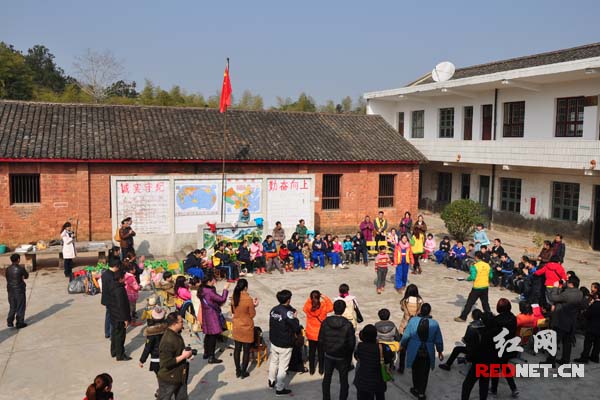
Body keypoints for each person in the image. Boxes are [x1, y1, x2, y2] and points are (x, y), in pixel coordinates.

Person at [400, 303, 443, 400]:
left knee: (415, 370)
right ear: (429, 312)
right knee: (424, 372)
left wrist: (402, 345)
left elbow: (406, 335)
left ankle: (415, 388)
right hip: (428, 351)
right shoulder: (434, 323)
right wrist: (440, 351)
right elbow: (438, 339)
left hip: (414, 350)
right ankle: (422, 393)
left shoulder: (413, 321)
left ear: (420, 311)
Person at [319, 299, 356, 400]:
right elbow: (351, 343)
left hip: (329, 355)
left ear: (333, 309)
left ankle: (326, 398)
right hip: (342, 357)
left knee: (327, 379)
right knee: (344, 381)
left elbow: (321, 340)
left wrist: (324, 351)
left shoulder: (326, 322)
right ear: (344, 310)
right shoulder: (348, 325)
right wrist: (348, 356)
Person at [268, 289, 302, 396]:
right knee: (283, 367)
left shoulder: (273, 310)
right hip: (285, 343)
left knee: (274, 362)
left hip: (274, 341)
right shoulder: (288, 313)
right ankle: (280, 388)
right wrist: (295, 318)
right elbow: (296, 327)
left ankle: (271, 380)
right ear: (288, 300)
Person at [547, 275, 583, 365]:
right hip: (571, 322)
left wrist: (555, 287)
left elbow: (553, 298)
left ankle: (551, 361)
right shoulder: (580, 293)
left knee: (554, 342)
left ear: (570, 284)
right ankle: (565, 360)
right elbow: (561, 298)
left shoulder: (567, 294)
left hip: (561, 322)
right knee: (567, 343)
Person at [157, 312, 193, 400]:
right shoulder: (167, 340)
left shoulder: (176, 334)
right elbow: (167, 363)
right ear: (174, 324)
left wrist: (186, 353)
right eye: (181, 321)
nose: (183, 323)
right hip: (169, 378)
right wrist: (184, 356)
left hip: (180, 376)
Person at [460, 312, 496, 400]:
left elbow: (474, 350)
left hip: (479, 363)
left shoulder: (479, 333)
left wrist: (467, 358)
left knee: (467, 384)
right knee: (484, 385)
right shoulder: (497, 332)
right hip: (490, 363)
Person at [489, 298, 519, 398]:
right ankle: (514, 388)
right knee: (505, 367)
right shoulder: (513, 317)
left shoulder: (497, 320)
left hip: (498, 347)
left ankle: (493, 389)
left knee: (495, 368)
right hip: (509, 346)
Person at [198, 273, 230, 363]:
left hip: (206, 314)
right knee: (213, 336)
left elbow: (212, 301)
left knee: (208, 334)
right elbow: (222, 299)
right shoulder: (209, 291)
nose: (215, 282)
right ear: (209, 281)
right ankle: (211, 357)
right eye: (213, 280)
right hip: (212, 315)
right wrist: (225, 289)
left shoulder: (202, 289)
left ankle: (206, 353)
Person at [455, 251, 493, 322]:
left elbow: (472, 277)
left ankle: (463, 317)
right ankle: (490, 316)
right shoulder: (487, 265)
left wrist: (467, 279)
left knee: (469, 303)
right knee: (485, 303)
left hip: (477, 287)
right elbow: (491, 276)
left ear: (476, 257)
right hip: (485, 287)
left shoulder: (474, 266)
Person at [231, 279, 258, 378]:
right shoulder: (248, 299)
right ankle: (243, 372)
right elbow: (252, 314)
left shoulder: (234, 297)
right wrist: (254, 306)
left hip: (237, 326)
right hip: (246, 327)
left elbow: (233, 311)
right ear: (246, 287)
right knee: (246, 351)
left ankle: (237, 370)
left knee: (237, 349)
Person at [139, 306, 168, 397]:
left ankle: (163, 391)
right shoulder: (167, 329)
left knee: (160, 377)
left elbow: (148, 347)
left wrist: (142, 360)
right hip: (167, 357)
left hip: (156, 359)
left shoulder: (151, 332)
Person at [303, 290, 333, 375]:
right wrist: (325, 297)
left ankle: (312, 370)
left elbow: (304, 308)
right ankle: (321, 369)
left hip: (311, 333)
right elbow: (331, 307)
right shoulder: (323, 306)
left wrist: (311, 298)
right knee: (321, 352)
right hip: (321, 333)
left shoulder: (308, 306)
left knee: (311, 352)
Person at [354, 324, 387, 400]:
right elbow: (389, 357)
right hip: (378, 380)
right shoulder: (382, 347)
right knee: (380, 396)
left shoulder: (360, 346)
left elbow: (357, 357)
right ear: (376, 335)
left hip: (363, 380)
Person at [398, 284, 423, 373]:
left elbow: (402, 309)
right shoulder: (420, 301)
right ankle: (413, 365)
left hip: (404, 325)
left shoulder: (404, 301)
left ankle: (401, 367)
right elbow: (420, 312)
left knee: (402, 348)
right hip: (415, 326)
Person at [108, 269, 131, 361]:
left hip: (114, 315)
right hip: (120, 317)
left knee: (115, 334)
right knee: (120, 336)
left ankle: (114, 351)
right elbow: (122, 306)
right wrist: (125, 319)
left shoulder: (112, 286)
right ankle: (120, 355)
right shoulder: (119, 290)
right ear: (121, 279)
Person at [575, 292, 600, 363]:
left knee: (588, 344)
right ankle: (595, 357)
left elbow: (587, 314)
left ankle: (584, 357)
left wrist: (589, 306)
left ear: (597, 296)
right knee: (597, 344)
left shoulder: (594, 305)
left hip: (592, 327)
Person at [6, 254, 29, 329]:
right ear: (18, 260)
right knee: (20, 307)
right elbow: (26, 276)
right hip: (19, 290)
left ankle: (10, 322)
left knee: (12, 306)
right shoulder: (20, 268)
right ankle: (19, 323)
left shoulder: (8, 269)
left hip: (10, 290)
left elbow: (8, 278)